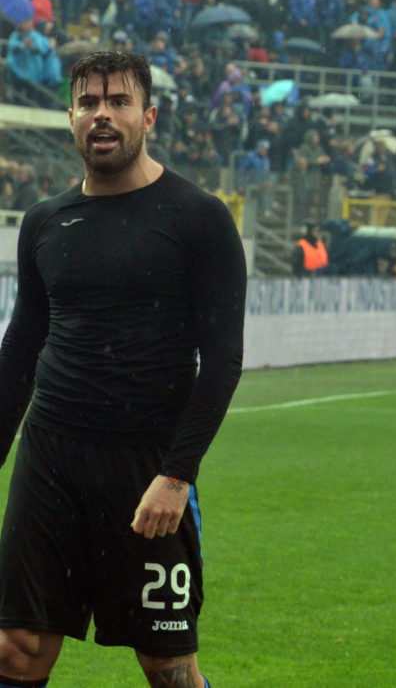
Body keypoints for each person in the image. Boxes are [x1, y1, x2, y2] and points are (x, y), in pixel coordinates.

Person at [0, 51, 246, 688]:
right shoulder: (45, 221)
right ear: (71, 118)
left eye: (118, 101)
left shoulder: (199, 218)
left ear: (150, 116)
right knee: (16, 648)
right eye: (87, 103)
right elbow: (21, 349)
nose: (102, 115)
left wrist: (177, 475)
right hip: (49, 457)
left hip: (145, 466)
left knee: (166, 664)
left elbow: (223, 361)